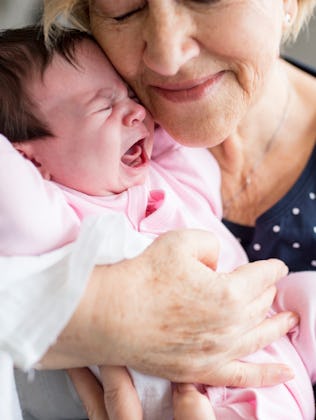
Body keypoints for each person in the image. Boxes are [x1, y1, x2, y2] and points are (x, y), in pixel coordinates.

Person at [0, 26, 315, 420]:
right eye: (103, 106)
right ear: (29, 159)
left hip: (281, 357)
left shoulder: (175, 180)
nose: (136, 111)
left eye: (130, 94)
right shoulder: (55, 218)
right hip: (210, 403)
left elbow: (176, 125)